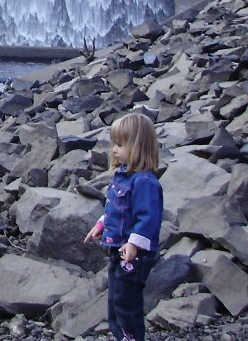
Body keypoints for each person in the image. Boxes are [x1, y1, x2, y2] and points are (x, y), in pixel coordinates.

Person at [84, 112, 164, 341]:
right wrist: (101, 224)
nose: (114, 150)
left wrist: (134, 244)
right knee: (115, 301)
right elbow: (116, 208)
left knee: (126, 302)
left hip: (133, 255)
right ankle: (122, 336)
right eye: (114, 144)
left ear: (137, 146)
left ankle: (131, 337)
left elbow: (148, 218)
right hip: (118, 251)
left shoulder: (145, 182)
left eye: (119, 145)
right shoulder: (123, 176)